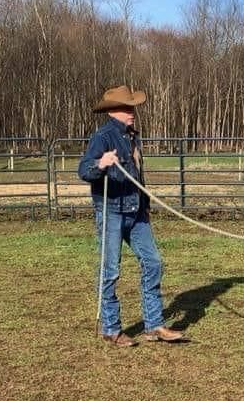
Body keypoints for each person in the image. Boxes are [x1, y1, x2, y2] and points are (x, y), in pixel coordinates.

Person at [78, 85, 184, 347]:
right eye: (128, 107)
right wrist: (100, 164)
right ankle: (112, 328)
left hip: (136, 213)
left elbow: (138, 175)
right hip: (111, 210)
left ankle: (154, 324)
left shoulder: (131, 137)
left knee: (153, 263)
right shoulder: (102, 137)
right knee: (110, 270)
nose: (132, 112)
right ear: (114, 110)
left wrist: (145, 203)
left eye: (132, 107)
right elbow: (83, 170)